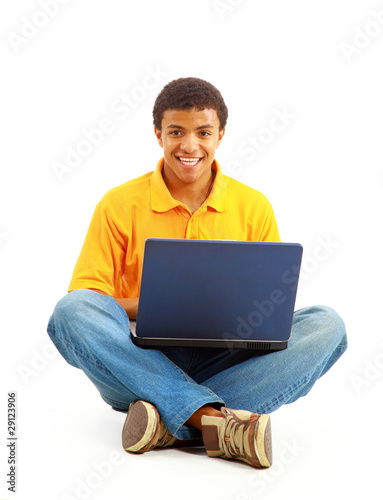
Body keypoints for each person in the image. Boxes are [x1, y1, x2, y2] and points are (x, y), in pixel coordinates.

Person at [47, 77, 347, 469]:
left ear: (220, 135)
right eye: (176, 132)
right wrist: (154, 306)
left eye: (203, 132)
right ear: (158, 134)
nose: (190, 146)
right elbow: (91, 302)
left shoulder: (253, 207)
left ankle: (164, 420)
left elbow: (273, 308)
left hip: (226, 358)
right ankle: (214, 423)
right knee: (71, 309)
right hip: (139, 360)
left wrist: (232, 315)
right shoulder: (118, 204)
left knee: (328, 325)